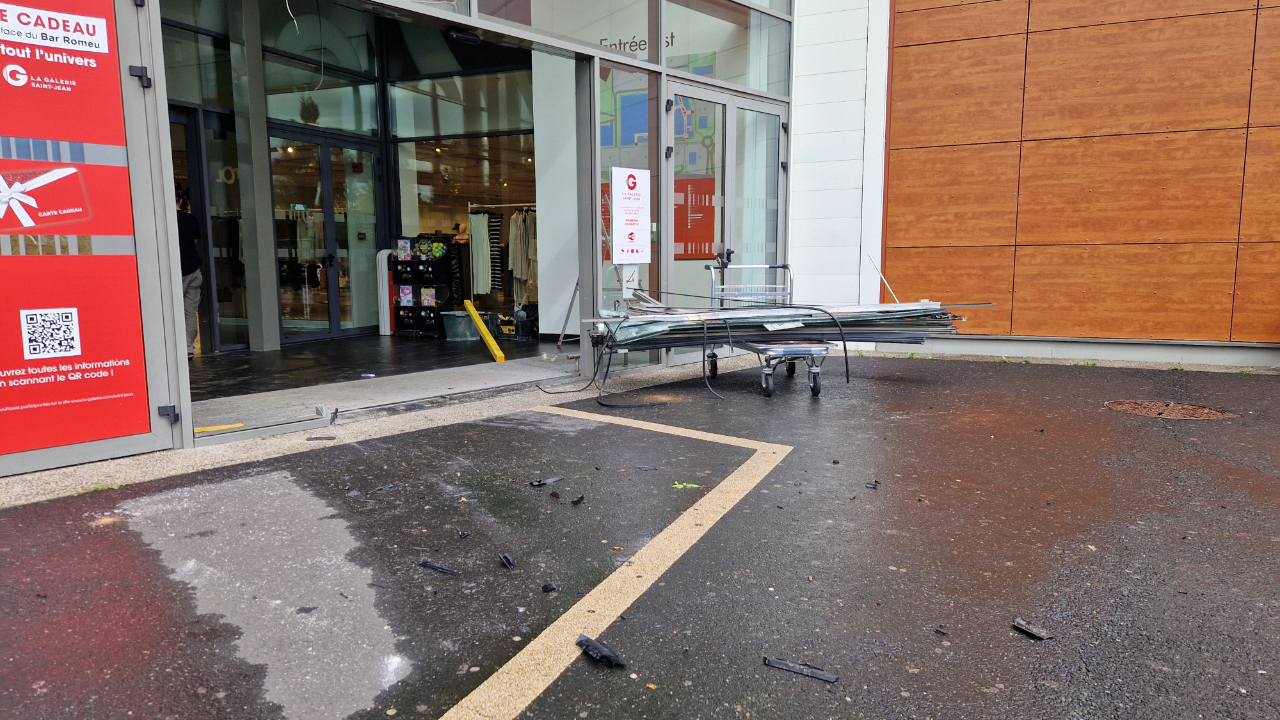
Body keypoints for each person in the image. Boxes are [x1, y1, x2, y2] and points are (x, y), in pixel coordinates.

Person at [175, 188, 203, 357]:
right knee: (190, 311)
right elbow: (194, 242)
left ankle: (175, 347)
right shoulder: (191, 220)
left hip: (177, 270)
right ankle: (187, 347)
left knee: (171, 309)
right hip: (193, 269)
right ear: (180, 201)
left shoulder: (166, 219)